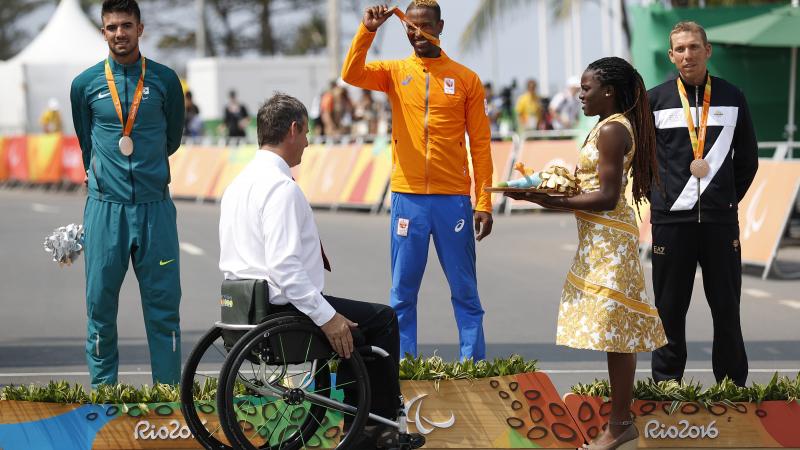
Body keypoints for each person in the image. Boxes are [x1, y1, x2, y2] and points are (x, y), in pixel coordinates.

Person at [218, 93, 405, 448]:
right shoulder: (281, 189)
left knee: (357, 327)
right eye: (306, 133)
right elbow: (286, 269)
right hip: (282, 310)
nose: (307, 142)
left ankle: (363, 422)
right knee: (381, 320)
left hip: (245, 307)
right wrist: (327, 317)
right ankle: (374, 429)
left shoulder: (236, 185)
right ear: (293, 129)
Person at [505, 57, 667, 450]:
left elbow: (608, 196)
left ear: (608, 91)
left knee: (617, 333)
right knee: (614, 332)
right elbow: (591, 184)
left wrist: (549, 202)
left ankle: (620, 424)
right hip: (598, 239)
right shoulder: (604, 126)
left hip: (611, 242)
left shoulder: (612, 130)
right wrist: (542, 191)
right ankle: (620, 421)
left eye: (586, 88)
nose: (579, 95)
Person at [341, 1, 494, 361]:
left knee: (464, 291)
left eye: (425, 26)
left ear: (440, 26)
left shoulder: (467, 79)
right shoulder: (394, 72)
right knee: (401, 294)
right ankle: (403, 367)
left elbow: (482, 146)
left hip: (453, 200)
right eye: (410, 27)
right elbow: (351, 73)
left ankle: (473, 365)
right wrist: (368, 30)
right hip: (407, 198)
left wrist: (483, 201)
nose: (417, 33)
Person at [70, 0, 184, 387]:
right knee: (100, 308)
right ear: (103, 31)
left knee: (164, 310)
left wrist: (146, 170)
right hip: (106, 211)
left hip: (155, 209)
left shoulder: (166, 81)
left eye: (127, 25)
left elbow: (172, 139)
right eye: (112, 26)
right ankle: (104, 398)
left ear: (140, 28)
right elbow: (87, 145)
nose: (120, 33)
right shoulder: (84, 85)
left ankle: (168, 399)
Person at [648, 21, 758, 387]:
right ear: (671, 55)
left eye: (694, 47)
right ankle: (666, 386)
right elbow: (642, 161)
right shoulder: (655, 100)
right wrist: (660, 201)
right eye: (680, 49)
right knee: (668, 312)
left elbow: (748, 161)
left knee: (727, 310)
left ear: (707, 50)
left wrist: (723, 199)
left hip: (719, 223)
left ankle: (731, 389)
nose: (687, 55)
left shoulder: (733, 96)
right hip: (671, 224)